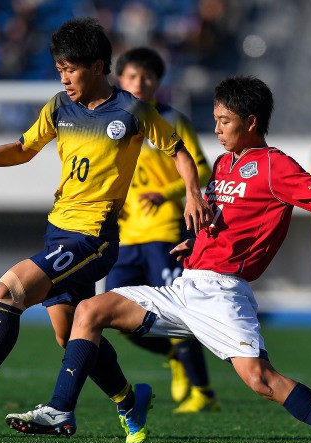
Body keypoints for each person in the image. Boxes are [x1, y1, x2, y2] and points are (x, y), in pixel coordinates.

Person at [6, 76, 311, 443]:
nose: (216, 128)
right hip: (185, 286)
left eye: (224, 121)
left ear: (251, 122)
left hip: (223, 294)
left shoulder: (274, 166)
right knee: (90, 310)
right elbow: (221, 217)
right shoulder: (224, 163)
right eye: (214, 119)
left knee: (261, 380)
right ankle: (61, 409)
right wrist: (194, 242)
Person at [0, 17, 211, 443]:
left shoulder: (133, 111)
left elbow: (178, 150)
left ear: (99, 65)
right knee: (72, 333)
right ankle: (129, 400)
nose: (65, 78)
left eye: (72, 68)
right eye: (60, 69)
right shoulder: (58, 107)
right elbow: (25, 148)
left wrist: (192, 193)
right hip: (58, 231)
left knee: (8, 290)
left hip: (93, 237)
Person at [106, 47, 218, 413]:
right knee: (116, 316)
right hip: (127, 237)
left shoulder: (172, 120)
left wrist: (169, 192)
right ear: (120, 80)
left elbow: (201, 170)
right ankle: (172, 352)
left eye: (148, 76)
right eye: (133, 76)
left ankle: (203, 393)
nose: (141, 82)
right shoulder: (110, 124)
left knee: (182, 313)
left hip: (166, 231)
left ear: (158, 82)